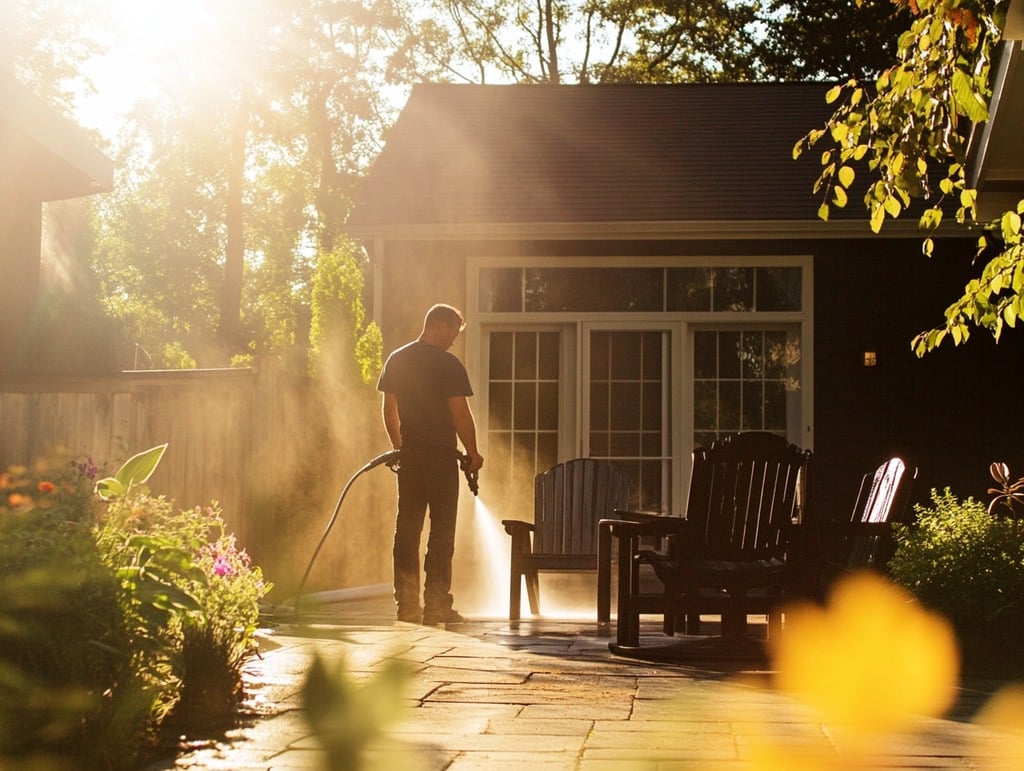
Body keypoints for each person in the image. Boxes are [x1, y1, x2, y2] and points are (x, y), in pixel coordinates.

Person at [377, 303, 484, 625]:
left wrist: (399, 447)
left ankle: (407, 606)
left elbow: (389, 411)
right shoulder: (448, 364)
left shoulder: (397, 359)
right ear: (438, 325)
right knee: (441, 532)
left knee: (406, 531)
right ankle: (437, 606)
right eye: (452, 332)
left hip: (410, 460)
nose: (453, 340)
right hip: (440, 460)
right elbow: (460, 414)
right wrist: (474, 453)